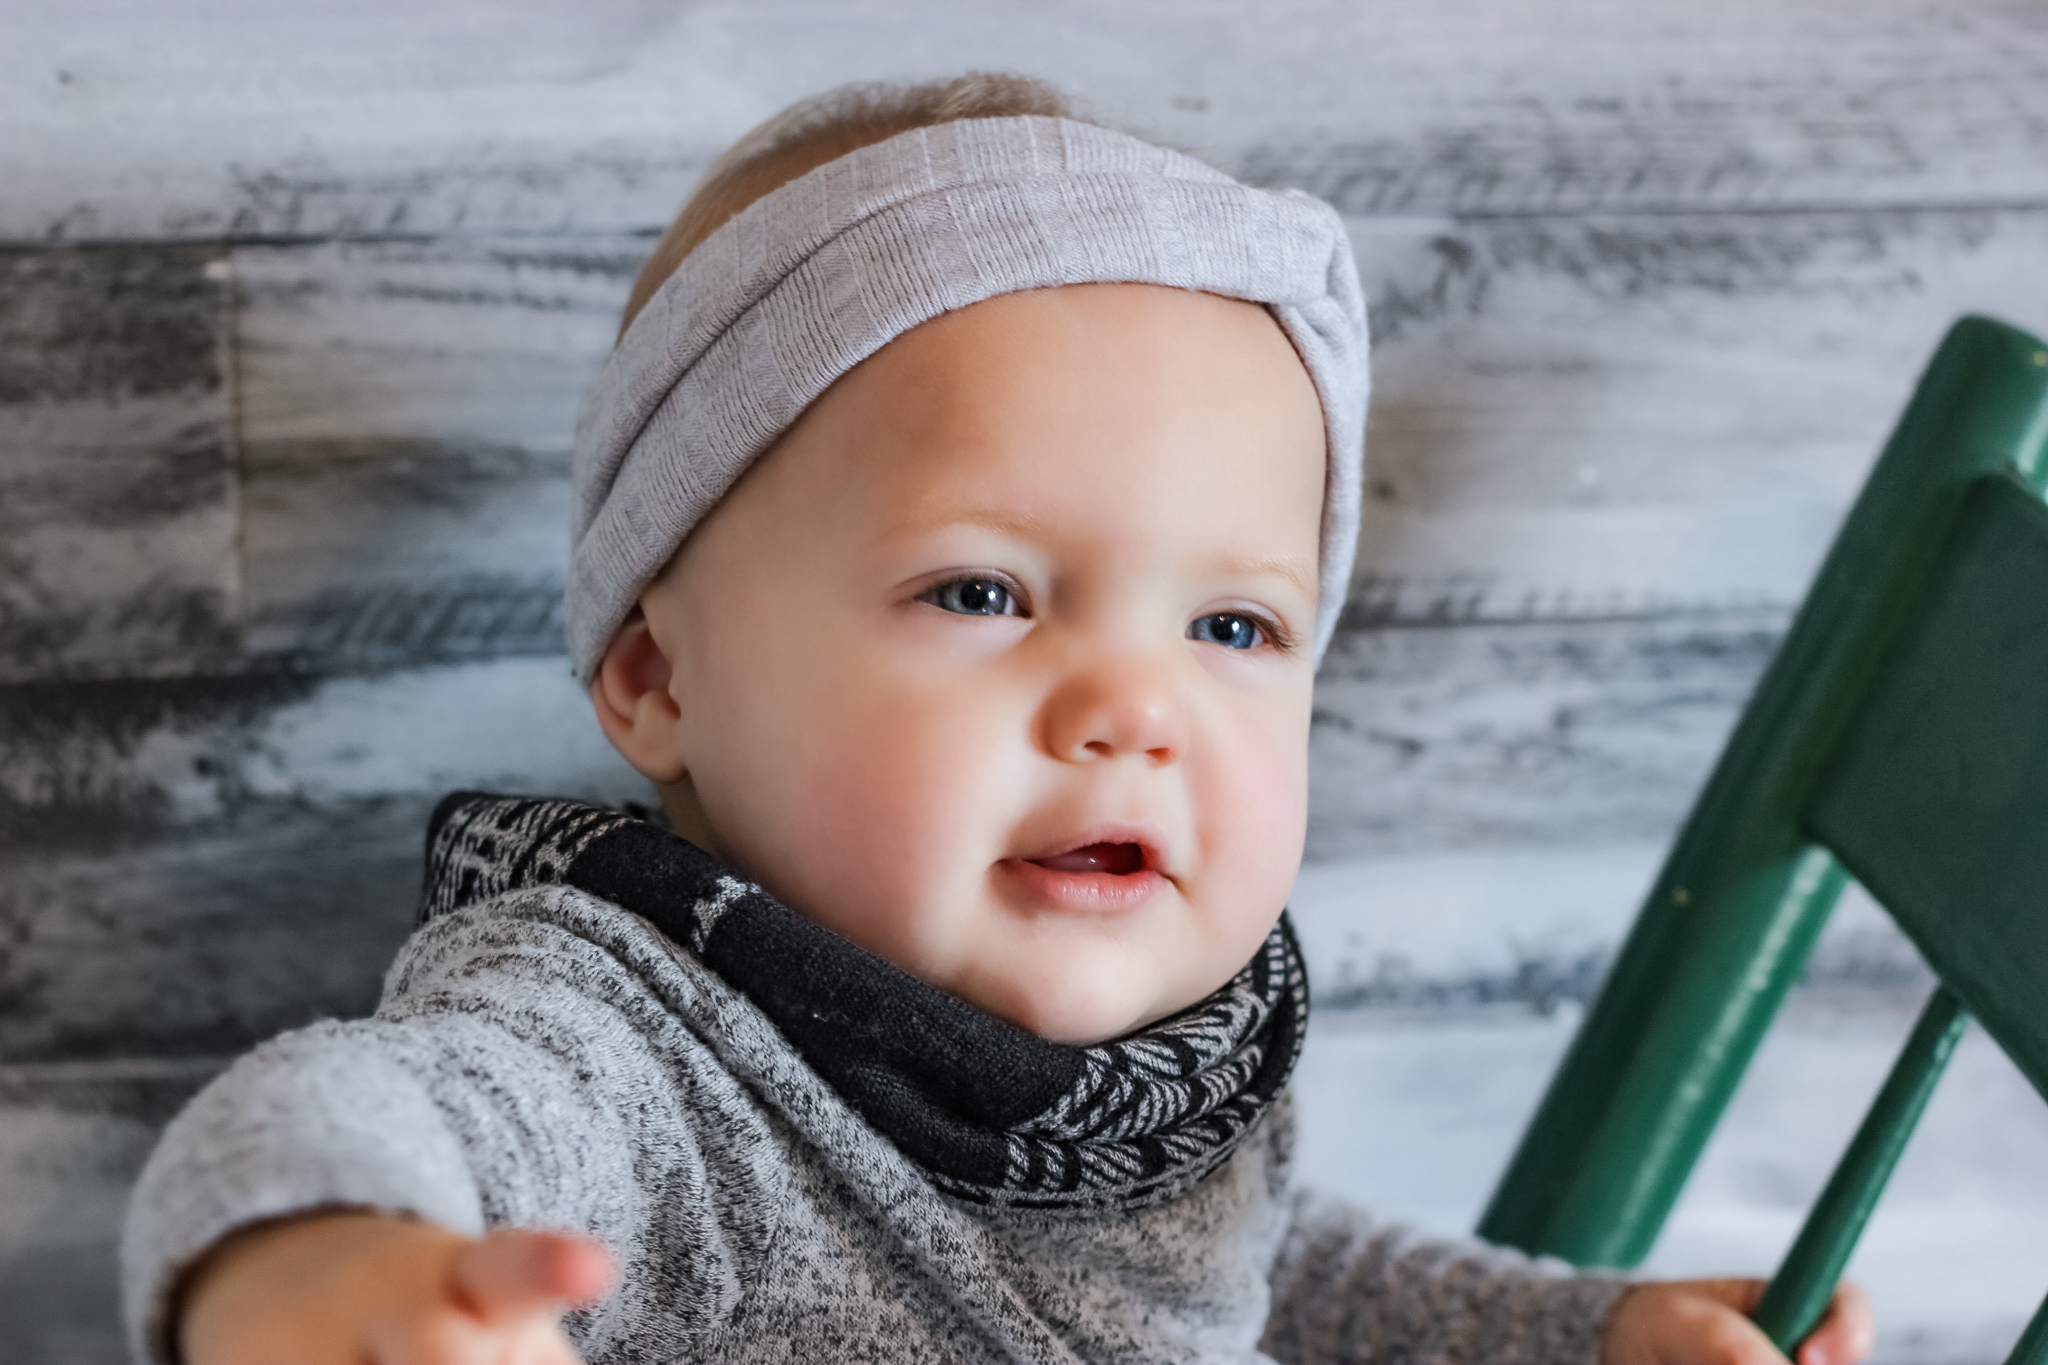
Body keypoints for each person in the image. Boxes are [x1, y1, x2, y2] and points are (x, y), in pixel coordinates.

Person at [122, 73, 1876, 1365]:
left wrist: (1569, 1335)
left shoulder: (1171, 1061)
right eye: (982, 593)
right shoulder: (636, 1038)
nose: (1135, 702)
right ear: (660, 675)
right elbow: (361, 1103)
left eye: (1237, 623)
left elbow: (1251, 1266)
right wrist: (323, 1262)